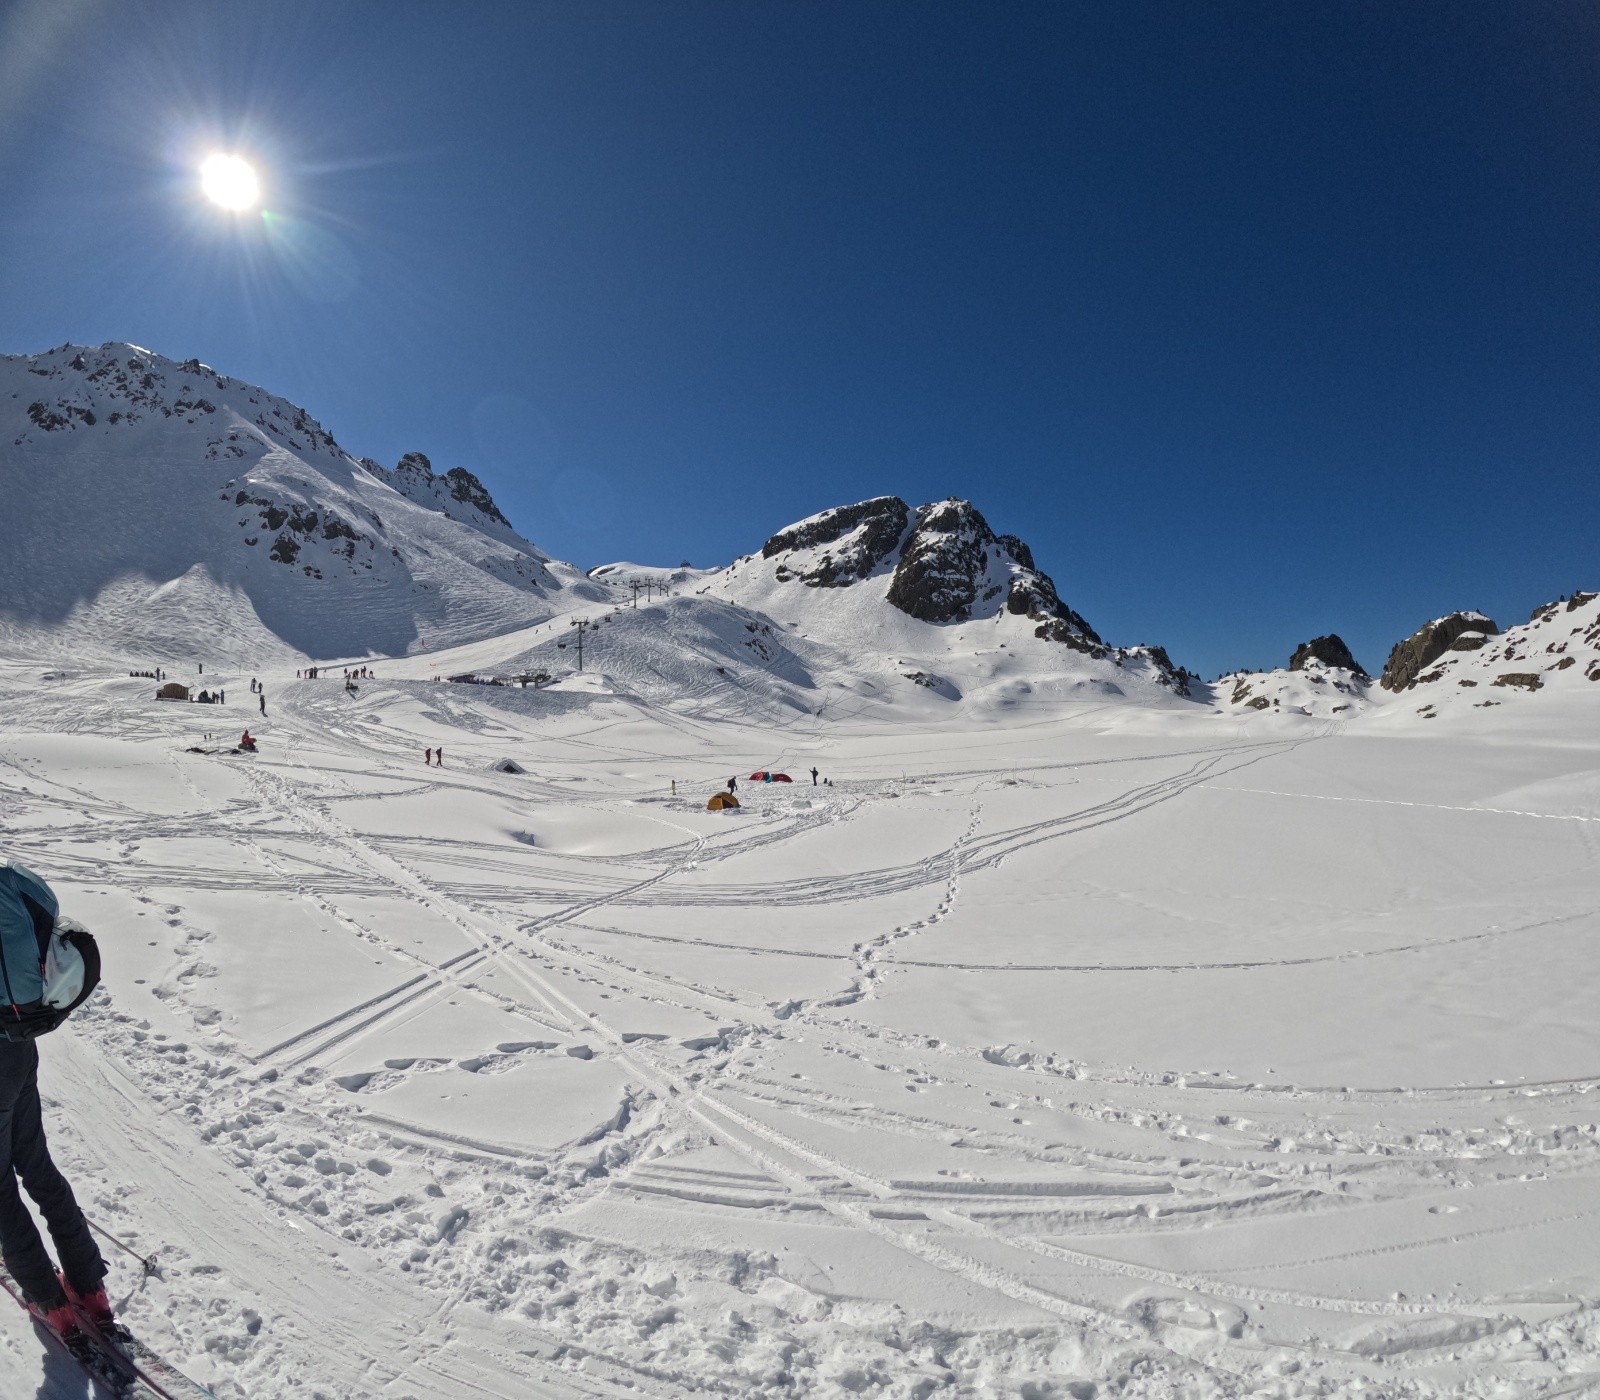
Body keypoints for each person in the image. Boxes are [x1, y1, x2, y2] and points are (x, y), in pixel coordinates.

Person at [0, 863, 112, 1336]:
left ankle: (51, 1304)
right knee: (37, 1166)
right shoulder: (12, 880)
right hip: (19, 1043)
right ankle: (90, 1287)